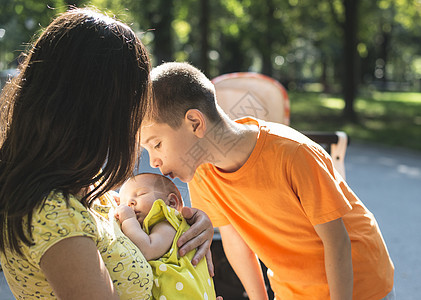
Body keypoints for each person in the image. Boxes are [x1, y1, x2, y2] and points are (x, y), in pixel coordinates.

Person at [0, 10, 215, 300]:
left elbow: (131, 218)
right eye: (132, 107)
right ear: (100, 113)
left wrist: (188, 224)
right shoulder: (53, 216)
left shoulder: (83, 188)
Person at [139, 62, 395, 300]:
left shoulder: (293, 153)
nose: (153, 161)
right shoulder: (201, 171)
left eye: (157, 144)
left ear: (195, 122)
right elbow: (236, 244)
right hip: (294, 290)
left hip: (359, 284)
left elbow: (337, 241)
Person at [115, 172, 217, 300]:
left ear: (172, 202)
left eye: (140, 194)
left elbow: (147, 249)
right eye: (124, 202)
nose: (130, 203)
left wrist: (128, 219)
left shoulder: (169, 223)